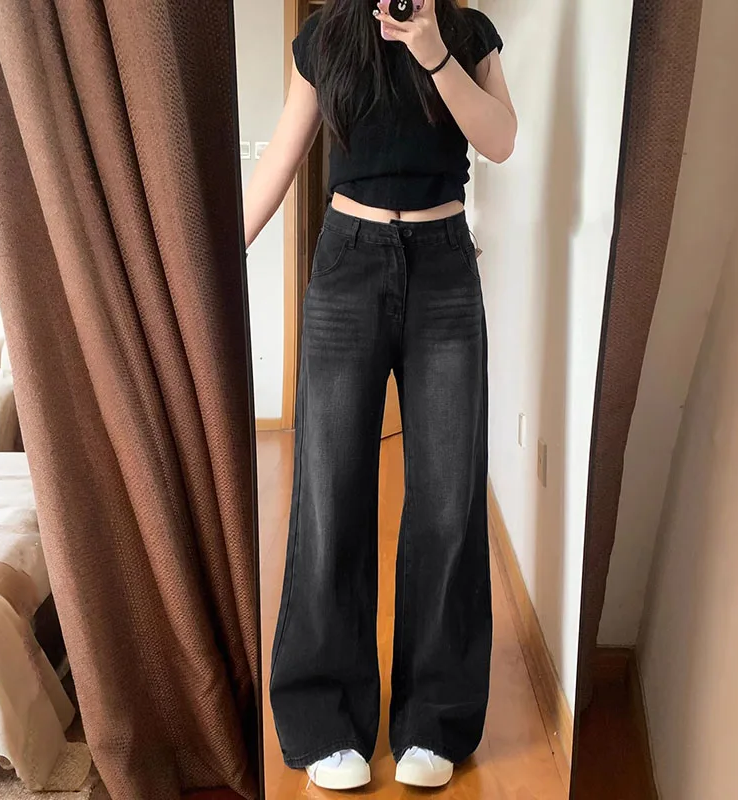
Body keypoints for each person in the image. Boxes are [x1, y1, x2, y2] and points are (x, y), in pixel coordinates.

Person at [243, 0, 516, 790]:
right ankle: (326, 720)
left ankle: (435, 719)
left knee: (447, 500)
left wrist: (434, 52)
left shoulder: (466, 32)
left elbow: (500, 139)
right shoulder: (326, 38)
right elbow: (283, 154)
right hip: (348, 261)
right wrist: (218, 259)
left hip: (444, 268)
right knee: (329, 494)